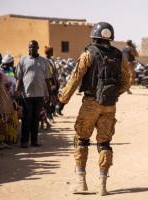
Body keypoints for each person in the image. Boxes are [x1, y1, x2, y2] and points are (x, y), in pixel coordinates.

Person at [58, 22, 130, 196]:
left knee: (82, 140)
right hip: (110, 106)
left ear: (94, 35)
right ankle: (103, 186)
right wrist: (112, 96)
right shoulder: (119, 56)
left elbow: (75, 78)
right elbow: (126, 82)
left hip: (90, 103)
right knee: (104, 144)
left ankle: (81, 183)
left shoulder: (88, 54)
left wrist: (63, 100)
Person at [15, 40, 52, 148]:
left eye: (33, 47)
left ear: (38, 48)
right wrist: (17, 91)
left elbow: (47, 79)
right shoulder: (23, 60)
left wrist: (49, 94)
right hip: (26, 94)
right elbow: (19, 78)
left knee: (36, 118)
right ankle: (24, 141)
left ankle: (34, 141)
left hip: (40, 94)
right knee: (26, 118)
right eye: (29, 47)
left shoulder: (44, 61)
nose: (31, 49)